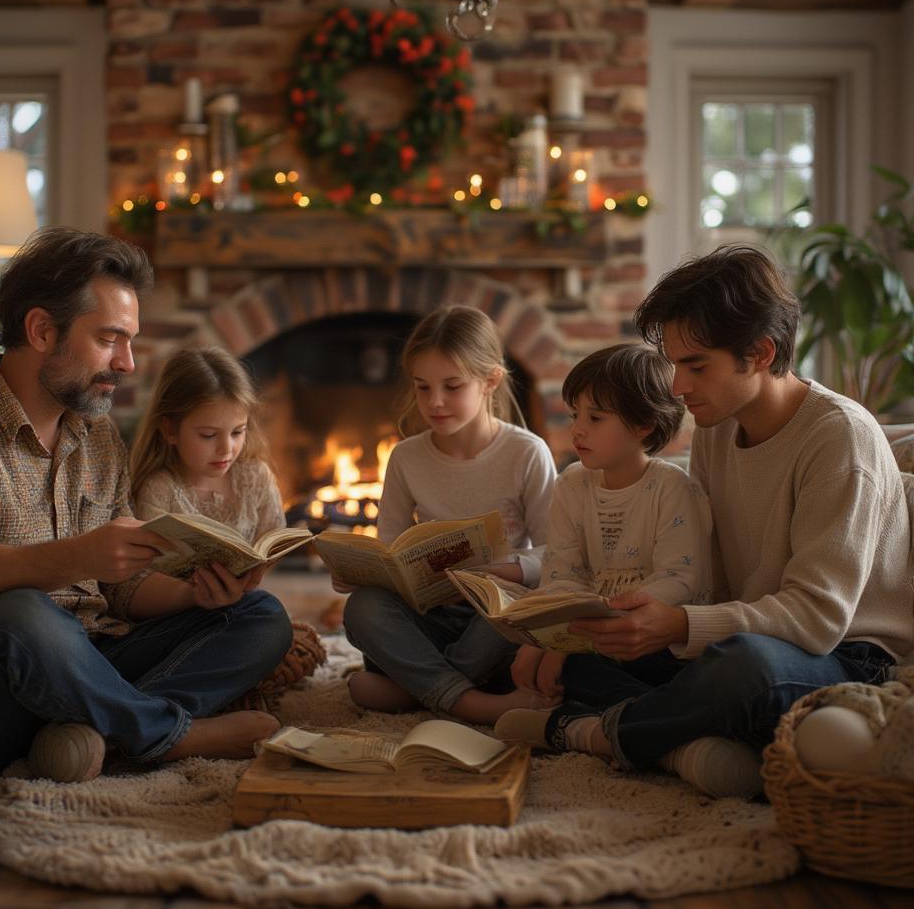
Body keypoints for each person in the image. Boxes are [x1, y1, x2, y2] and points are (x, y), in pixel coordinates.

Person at [496, 245, 914, 798]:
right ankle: (681, 744)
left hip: (848, 657)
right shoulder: (717, 425)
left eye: (696, 365)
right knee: (580, 657)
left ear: (761, 353)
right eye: (674, 362)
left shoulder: (839, 438)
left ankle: (591, 732)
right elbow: (706, 571)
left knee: (745, 669)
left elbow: (817, 619)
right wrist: (588, 629)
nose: (675, 386)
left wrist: (680, 626)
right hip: (736, 636)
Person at [0, 227, 292, 784]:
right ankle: (167, 735)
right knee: (26, 614)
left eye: (129, 340)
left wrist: (193, 592)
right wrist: (76, 557)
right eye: (109, 339)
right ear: (40, 330)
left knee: (261, 617)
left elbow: (120, 592)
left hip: (91, 654)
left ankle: (90, 731)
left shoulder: (97, 439)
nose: (127, 363)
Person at [342, 304, 558, 724]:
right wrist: (364, 571)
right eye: (422, 388)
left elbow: (558, 554)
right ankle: (472, 700)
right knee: (363, 608)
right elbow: (390, 547)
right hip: (430, 615)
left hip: (495, 615)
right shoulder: (406, 457)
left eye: (452, 386)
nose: (434, 402)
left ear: (490, 380)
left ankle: (415, 687)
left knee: (517, 612)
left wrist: (501, 572)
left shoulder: (526, 452)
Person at [506, 342, 712, 704]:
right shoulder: (570, 484)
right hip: (590, 634)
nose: (578, 430)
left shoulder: (671, 487)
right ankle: (621, 716)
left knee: (673, 676)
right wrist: (553, 640)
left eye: (595, 418)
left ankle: (602, 721)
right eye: (574, 415)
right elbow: (561, 574)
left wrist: (578, 640)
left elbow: (679, 579)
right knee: (522, 650)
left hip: (654, 640)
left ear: (643, 425)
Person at [130, 346, 285, 543]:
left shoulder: (255, 479)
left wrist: (256, 572)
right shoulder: (160, 491)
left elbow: (274, 542)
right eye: (208, 435)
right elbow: (147, 566)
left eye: (237, 432)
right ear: (170, 430)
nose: (226, 449)